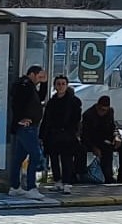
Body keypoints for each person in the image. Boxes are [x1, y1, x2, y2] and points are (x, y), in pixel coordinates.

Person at [8, 65, 48, 199]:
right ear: (32, 74)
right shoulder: (24, 85)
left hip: (31, 126)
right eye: (39, 76)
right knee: (36, 154)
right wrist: (19, 120)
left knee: (19, 157)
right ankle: (31, 187)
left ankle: (15, 187)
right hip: (26, 127)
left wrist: (44, 83)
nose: (39, 79)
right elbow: (17, 103)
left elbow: (40, 97)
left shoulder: (30, 86)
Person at [40, 75, 81, 193]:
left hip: (67, 135)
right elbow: (46, 119)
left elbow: (76, 119)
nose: (61, 86)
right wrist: (42, 135)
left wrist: (72, 132)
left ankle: (67, 183)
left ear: (67, 86)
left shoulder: (74, 101)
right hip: (53, 135)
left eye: (63, 84)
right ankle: (57, 181)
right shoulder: (52, 102)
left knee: (67, 159)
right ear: (55, 86)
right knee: (54, 159)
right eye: (58, 84)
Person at [80, 95, 122, 184]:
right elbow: (85, 136)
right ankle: (108, 176)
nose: (102, 112)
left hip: (108, 139)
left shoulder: (110, 112)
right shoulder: (88, 115)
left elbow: (113, 127)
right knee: (106, 149)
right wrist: (93, 147)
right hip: (94, 141)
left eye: (104, 110)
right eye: (100, 109)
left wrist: (117, 137)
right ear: (97, 106)